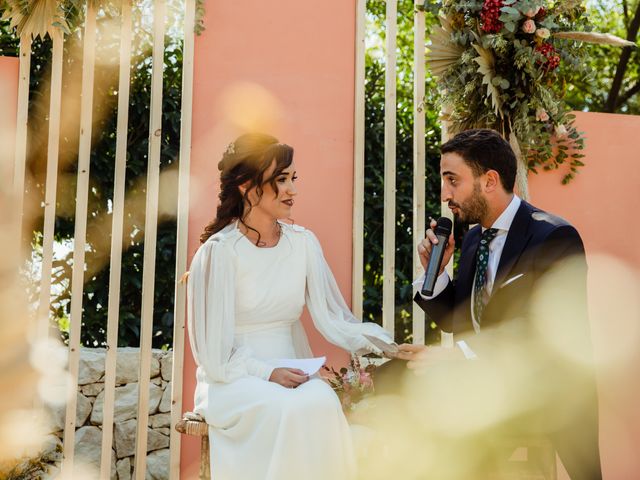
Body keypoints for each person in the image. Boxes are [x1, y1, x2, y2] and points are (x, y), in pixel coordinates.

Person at [186, 133, 392, 480]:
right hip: (233, 379)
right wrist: (267, 373)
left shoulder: (303, 244)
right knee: (285, 409)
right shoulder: (220, 252)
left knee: (321, 402)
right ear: (247, 185)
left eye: (292, 179)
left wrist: (388, 346)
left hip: (292, 373)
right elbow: (212, 354)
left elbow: (333, 319)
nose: (292, 190)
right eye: (281, 180)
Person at [398, 129, 602, 479]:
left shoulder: (554, 237)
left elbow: (547, 333)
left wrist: (458, 355)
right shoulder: (475, 238)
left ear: (489, 181)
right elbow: (460, 320)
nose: (445, 195)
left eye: (452, 181)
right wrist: (434, 273)